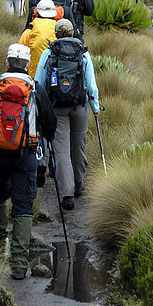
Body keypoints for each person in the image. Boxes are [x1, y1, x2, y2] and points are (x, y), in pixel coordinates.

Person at [0, 44, 56, 280]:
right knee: (23, 207)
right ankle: (18, 265)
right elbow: (50, 125)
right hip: (25, 156)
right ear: (28, 65)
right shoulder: (35, 89)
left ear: (7, 62)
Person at [35, 19, 99, 210]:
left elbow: (39, 83)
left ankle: (67, 194)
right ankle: (79, 183)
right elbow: (91, 86)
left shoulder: (48, 54)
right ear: (73, 33)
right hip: (79, 107)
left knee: (61, 150)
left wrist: (40, 109)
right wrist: (95, 107)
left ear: (56, 34)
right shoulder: (83, 54)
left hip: (56, 108)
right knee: (78, 145)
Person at [19, 0, 57, 78]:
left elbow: (20, 56)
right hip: (54, 77)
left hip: (33, 77)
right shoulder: (59, 32)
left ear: (37, 13)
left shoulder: (29, 32)